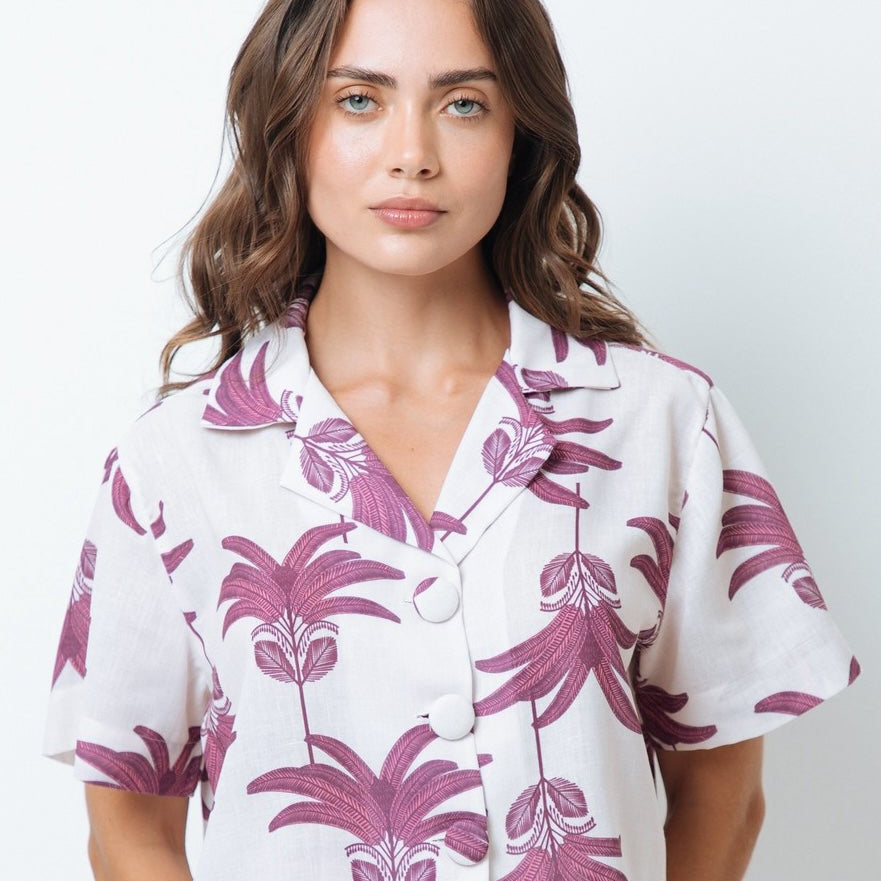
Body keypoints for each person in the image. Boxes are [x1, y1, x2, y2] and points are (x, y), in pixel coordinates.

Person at [41, 1, 861, 879]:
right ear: (289, 127)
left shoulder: (661, 424)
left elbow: (722, 795)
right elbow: (129, 829)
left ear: (522, 135)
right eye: (358, 99)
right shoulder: (175, 461)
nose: (411, 153)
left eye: (463, 103)